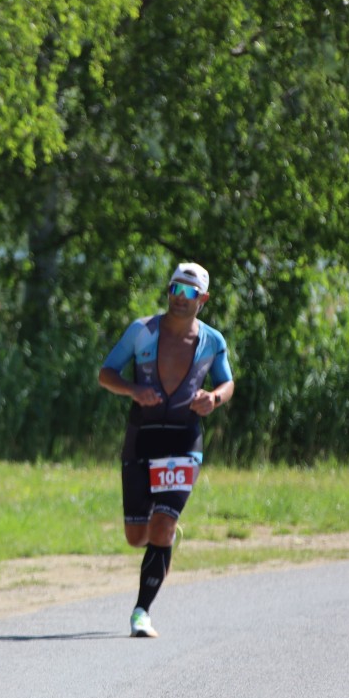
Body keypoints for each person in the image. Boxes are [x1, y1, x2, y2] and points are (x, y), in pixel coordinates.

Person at [97, 262, 234, 638]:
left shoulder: (212, 341)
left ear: (203, 300)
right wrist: (133, 390)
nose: (180, 298)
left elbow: (227, 382)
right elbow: (106, 373)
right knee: (136, 536)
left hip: (183, 440)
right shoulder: (142, 331)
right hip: (142, 437)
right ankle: (164, 532)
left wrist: (214, 398)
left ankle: (141, 611)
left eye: (189, 293)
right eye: (175, 289)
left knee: (161, 525)